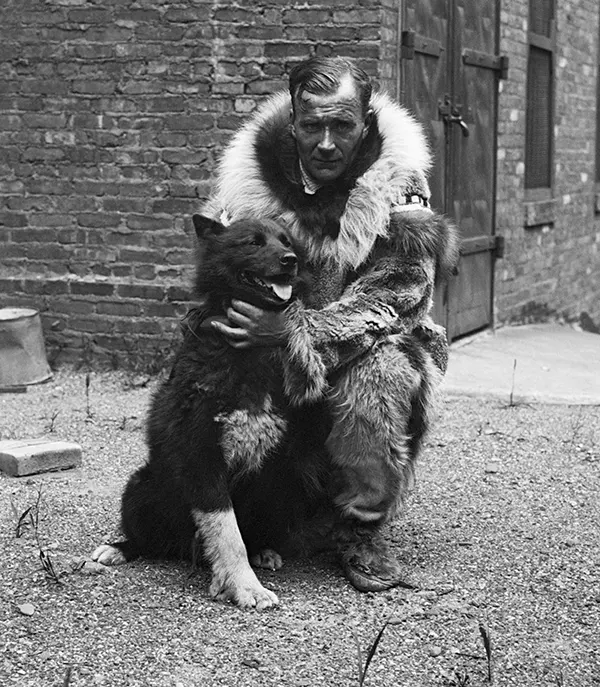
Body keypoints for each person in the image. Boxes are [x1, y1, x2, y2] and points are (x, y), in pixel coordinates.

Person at [200, 56, 459, 592]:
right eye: (311, 125)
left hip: (371, 339)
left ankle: (360, 530)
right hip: (274, 337)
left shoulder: (399, 181)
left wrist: (296, 333)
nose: (324, 142)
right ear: (293, 121)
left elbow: (402, 291)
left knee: (384, 372)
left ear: (364, 123)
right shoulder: (249, 179)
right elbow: (221, 271)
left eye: (341, 126)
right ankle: (231, 507)